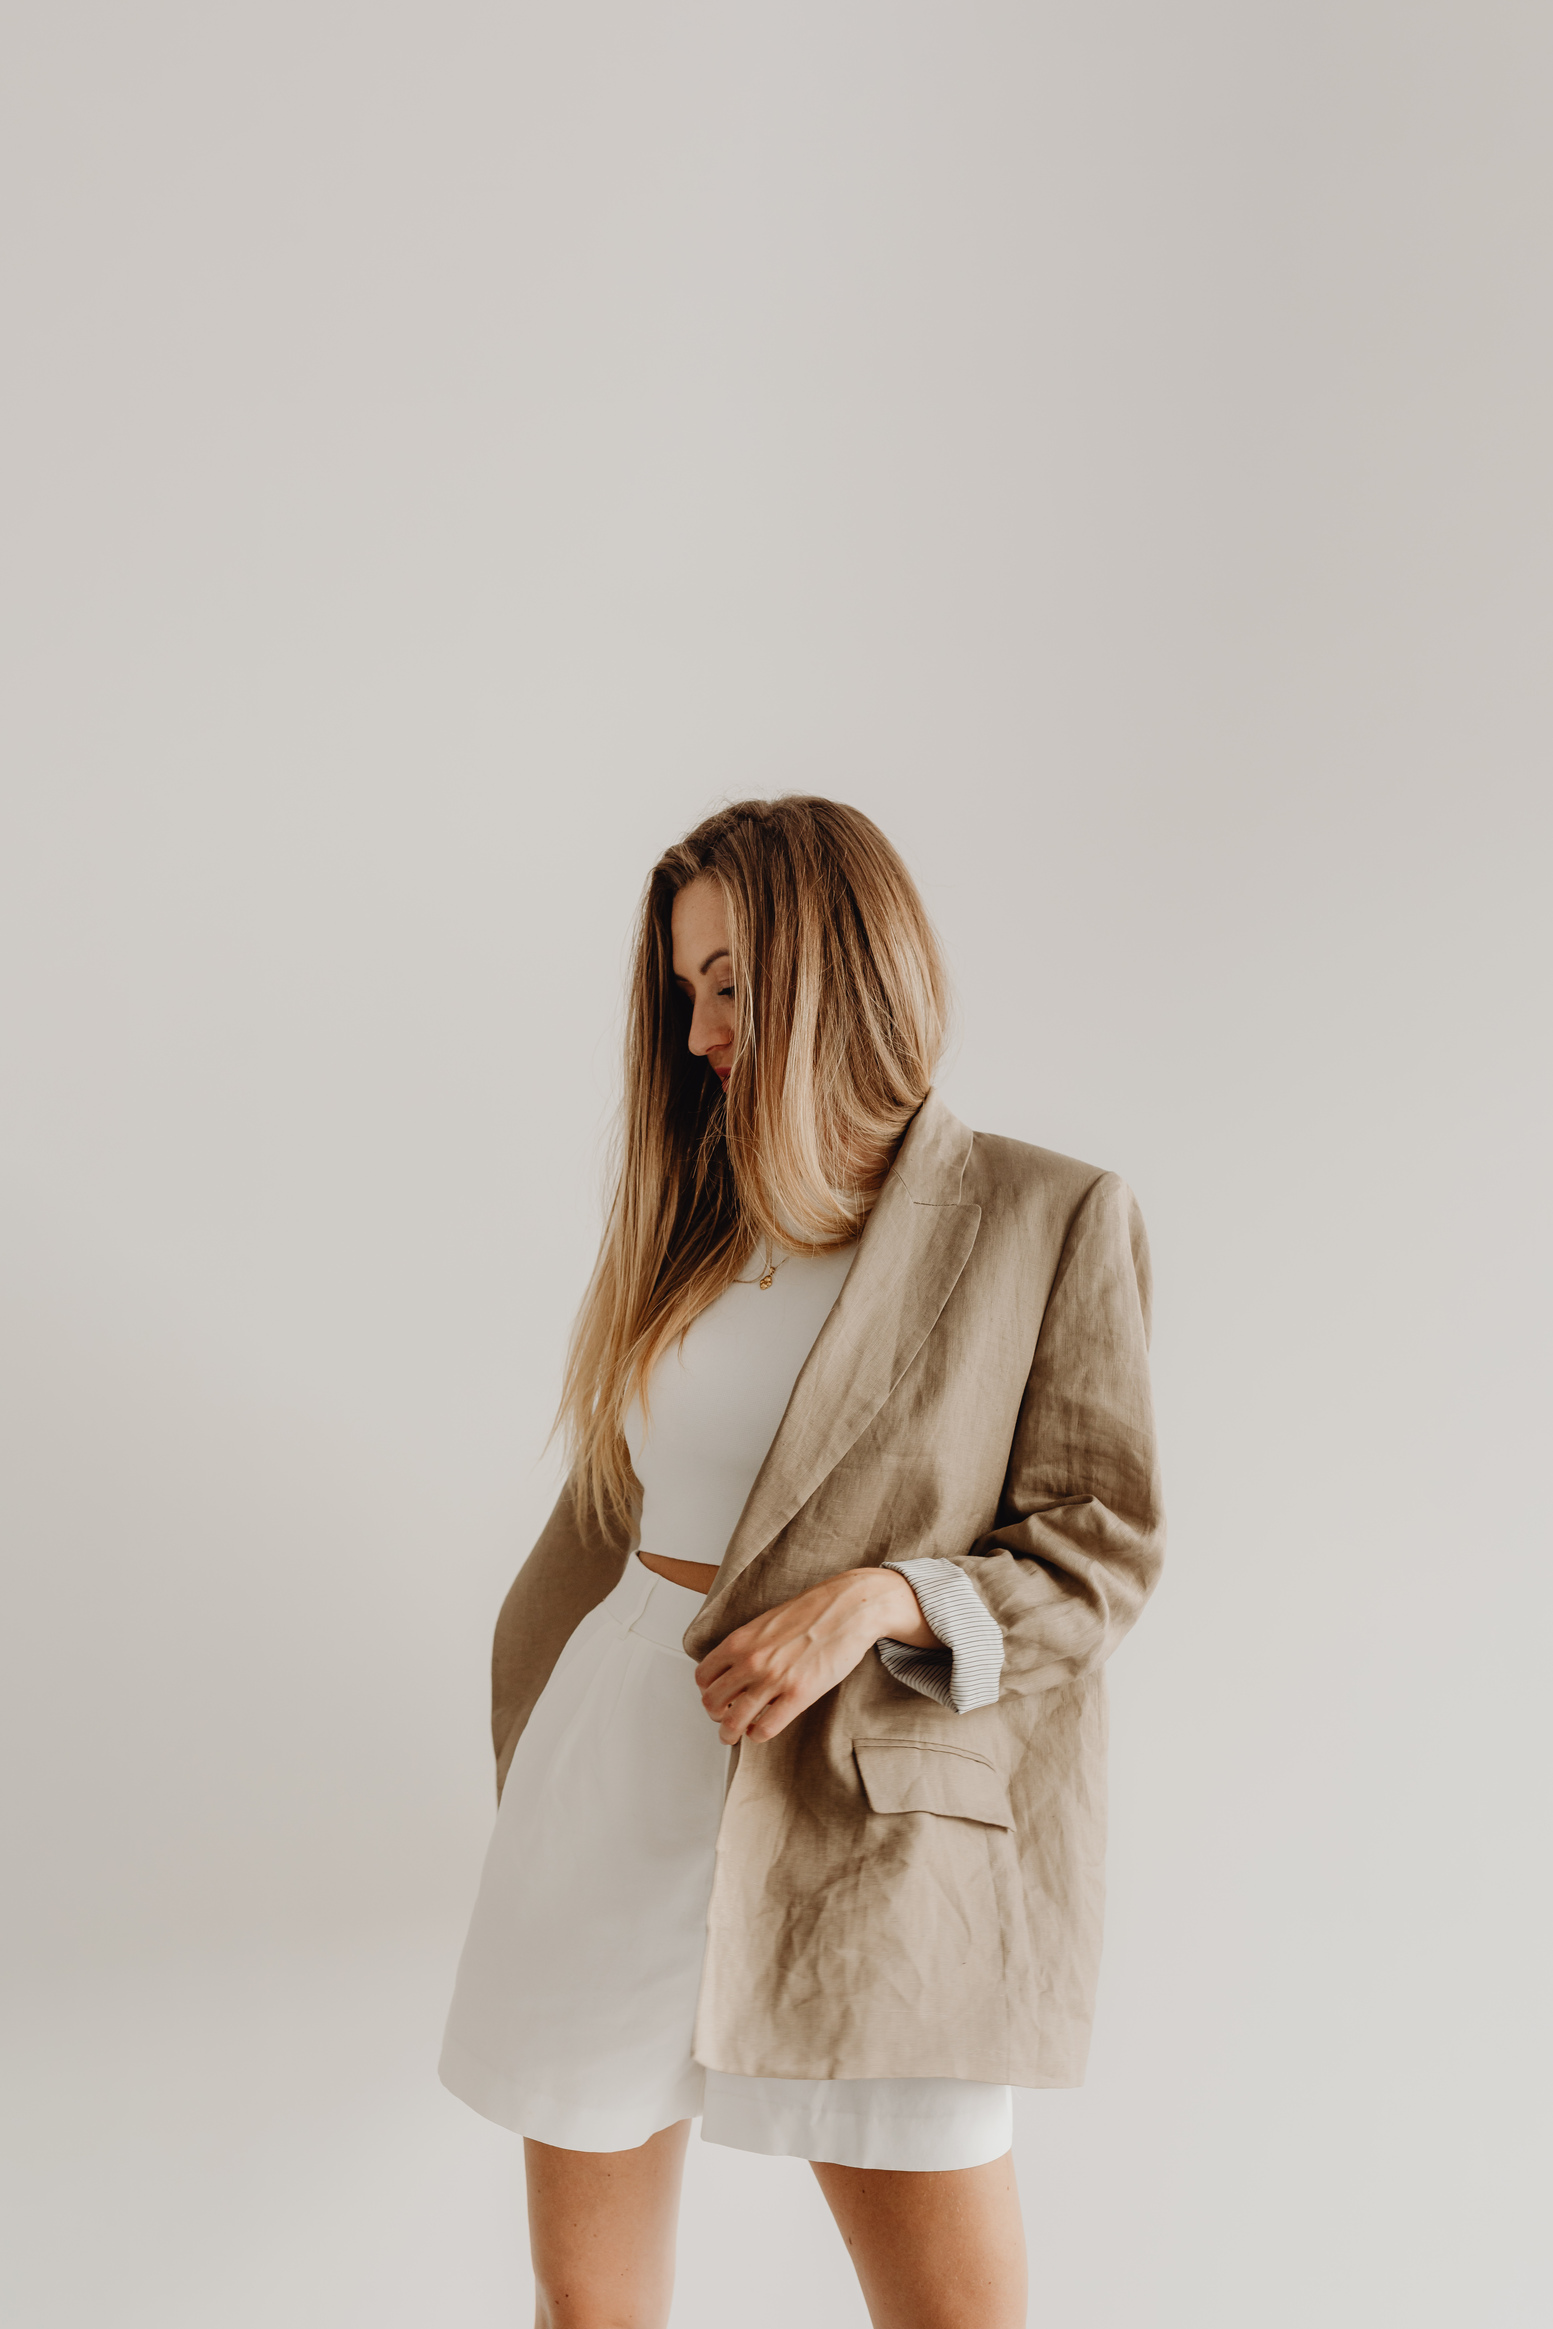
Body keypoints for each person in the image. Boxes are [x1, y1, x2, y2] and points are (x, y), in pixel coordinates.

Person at [440, 795, 1165, 2329]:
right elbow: (611, 1507)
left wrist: (884, 1597)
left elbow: (1100, 1546)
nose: (699, 1031)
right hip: (622, 1784)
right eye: (683, 990)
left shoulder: (1043, 1217)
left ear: (841, 966)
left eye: (729, 983)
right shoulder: (687, 1222)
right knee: (587, 2304)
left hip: (870, 1813)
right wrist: (534, 1738)